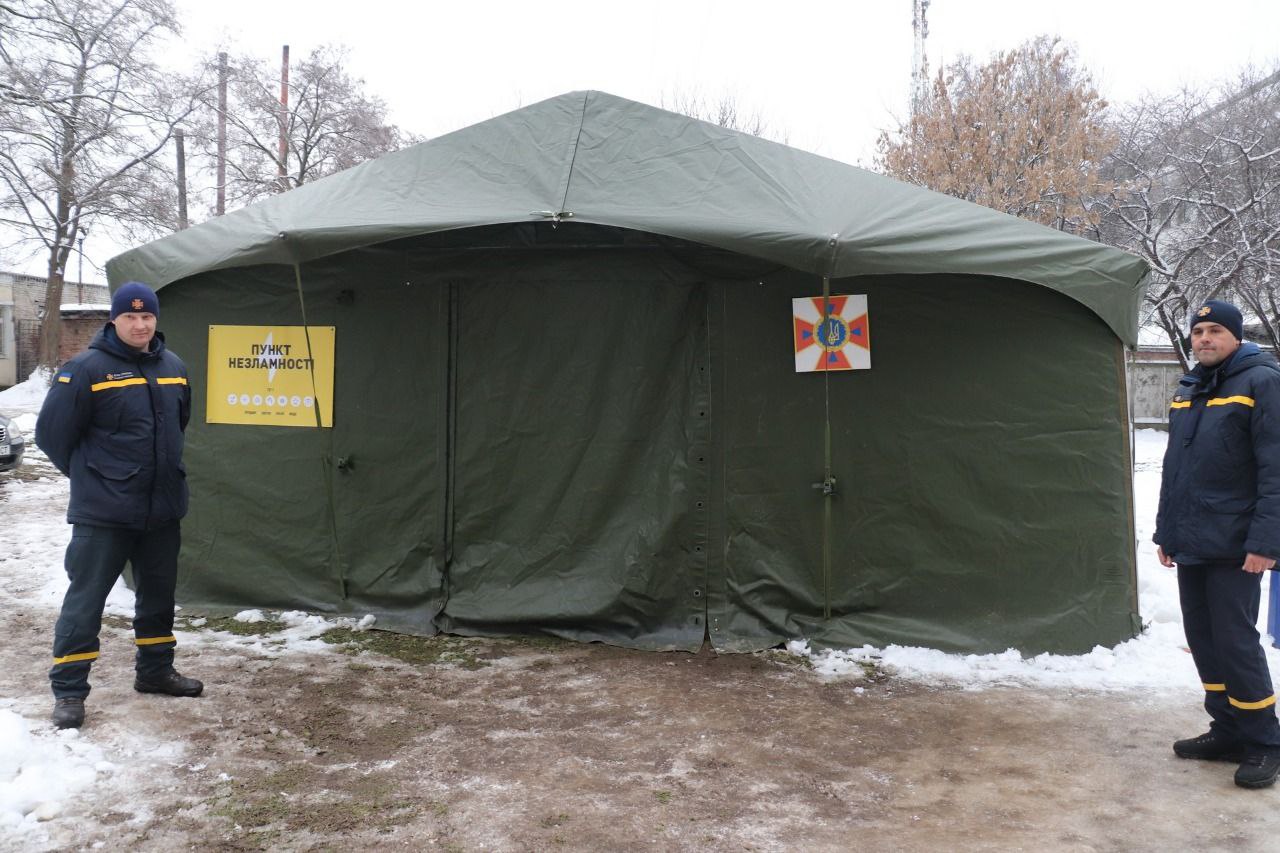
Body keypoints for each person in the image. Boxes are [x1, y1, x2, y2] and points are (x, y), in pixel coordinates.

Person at [36, 281, 202, 730]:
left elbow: (179, 424)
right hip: (103, 514)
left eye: (147, 316)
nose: (140, 324)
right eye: (131, 316)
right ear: (114, 319)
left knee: (158, 596)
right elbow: (51, 437)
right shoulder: (84, 370)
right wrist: (93, 478)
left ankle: (155, 671)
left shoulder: (174, 367)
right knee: (86, 601)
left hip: (162, 509)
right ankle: (69, 690)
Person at [1155, 299, 1280, 789]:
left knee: (1235, 641)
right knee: (1204, 637)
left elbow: (1275, 469)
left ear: (1235, 336)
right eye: (1198, 331)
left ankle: (1264, 741)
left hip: (1237, 544)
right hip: (1192, 538)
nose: (1204, 338)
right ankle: (1227, 729)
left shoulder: (1262, 381)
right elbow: (1175, 467)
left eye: (1215, 330)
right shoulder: (1191, 386)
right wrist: (1166, 531)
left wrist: (1266, 541)